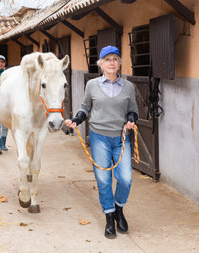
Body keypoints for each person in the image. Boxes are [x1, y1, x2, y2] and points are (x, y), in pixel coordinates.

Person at [66, 46, 139, 239]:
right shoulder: (92, 85)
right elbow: (85, 107)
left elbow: (133, 110)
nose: (112, 63)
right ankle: (109, 216)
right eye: (107, 60)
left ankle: (119, 208)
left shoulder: (129, 87)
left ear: (120, 63)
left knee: (125, 178)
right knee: (104, 180)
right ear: (101, 64)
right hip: (99, 137)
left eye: (115, 59)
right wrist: (77, 120)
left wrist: (132, 119)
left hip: (121, 137)